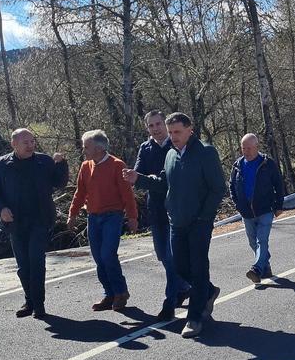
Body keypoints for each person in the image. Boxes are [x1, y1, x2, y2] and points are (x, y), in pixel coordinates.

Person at [125, 112, 226, 337]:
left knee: (198, 268)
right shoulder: (171, 154)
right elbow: (163, 183)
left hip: (199, 223)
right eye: (171, 133)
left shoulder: (206, 153)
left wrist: (204, 218)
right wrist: (139, 179)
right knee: (180, 268)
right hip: (177, 222)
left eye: (177, 132)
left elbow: (218, 188)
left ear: (190, 130)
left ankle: (194, 318)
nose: (173, 137)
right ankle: (208, 291)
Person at [0, 128, 69, 319]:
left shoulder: (44, 161)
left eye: (32, 142)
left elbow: (60, 183)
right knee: (23, 266)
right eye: (26, 143)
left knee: (36, 261)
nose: (30, 146)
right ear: (14, 144)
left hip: (40, 220)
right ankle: (29, 301)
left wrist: (61, 164)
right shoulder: (2, 164)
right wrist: (1, 209)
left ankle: (39, 305)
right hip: (15, 222)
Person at [68, 130, 138, 311]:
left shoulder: (116, 165)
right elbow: (80, 193)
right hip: (93, 216)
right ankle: (109, 293)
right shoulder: (85, 166)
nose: (84, 150)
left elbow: (127, 194)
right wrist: (72, 214)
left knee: (108, 254)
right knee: (99, 258)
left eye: (86, 147)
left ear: (99, 148)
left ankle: (121, 291)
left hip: (112, 217)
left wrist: (132, 217)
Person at [132, 110, 191, 320]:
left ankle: (171, 300)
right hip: (155, 209)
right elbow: (138, 174)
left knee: (171, 256)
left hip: (175, 209)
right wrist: (135, 177)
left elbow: (173, 178)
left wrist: (148, 179)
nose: (155, 129)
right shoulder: (145, 148)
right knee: (162, 256)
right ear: (147, 128)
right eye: (151, 126)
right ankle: (186, 286)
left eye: (158, 124)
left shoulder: (175, 145)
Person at [229, 133, 286, 285]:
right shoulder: (237, 165)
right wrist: (237, 204)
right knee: (252, 242)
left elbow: (278, 184)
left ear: (257, 147)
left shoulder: (267, 164)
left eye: (249, 148)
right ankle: (264, 267)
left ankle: (256, 269)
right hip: (246, 212)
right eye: (243, 148)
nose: (245, 151)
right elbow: (232, 186)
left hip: (265, 210)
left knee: (262, 240)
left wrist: (279, 205)